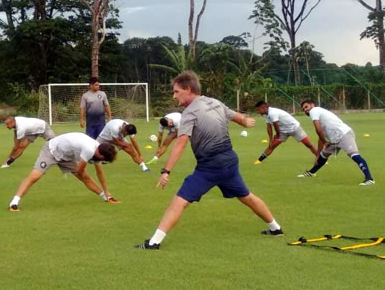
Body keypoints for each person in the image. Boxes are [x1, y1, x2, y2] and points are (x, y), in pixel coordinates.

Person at [135, 71, 283, 250]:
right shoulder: (215, 102)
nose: (174, 96)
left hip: (210, 167)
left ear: (188, 89)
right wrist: (245, 121)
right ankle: (275, 228)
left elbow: (181, 142)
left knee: (179, 201)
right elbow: (236, 117)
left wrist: (166, 171)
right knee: (247, 197)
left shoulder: (189, 112)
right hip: (229, 161)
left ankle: (153, 243)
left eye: (176, 92)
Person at [8, 132, 118, 211]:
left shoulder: (98, 148)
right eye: (103, 159)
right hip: (51, 150)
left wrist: (106, 191)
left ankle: (105, 197)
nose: (102, 161)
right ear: (100, 155)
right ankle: (14, 203)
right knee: (35, 177)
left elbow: (100, 172)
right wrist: (82, 171)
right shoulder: (90, 149)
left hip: (67, 155)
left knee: (86, 177)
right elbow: (80, 171)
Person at [297, 100, 374, 185]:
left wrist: (325, 142)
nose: (305, 110)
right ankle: (311, 173)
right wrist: (318, 155)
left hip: (343, 134)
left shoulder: (314, 111)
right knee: (323, 155)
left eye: (306, 107)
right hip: (334, 139)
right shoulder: (319, 115)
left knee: (354, 155)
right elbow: (320, 137)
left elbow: (318, 130)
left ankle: (369, 179)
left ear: (312, 105)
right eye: (303, 109)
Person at [253, 100, 319, 164]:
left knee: (308, 144)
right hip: (283, 131)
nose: (258, 112)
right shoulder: (266, 115)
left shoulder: (272, 113)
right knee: (272, 145)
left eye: (258, 110)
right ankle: (259, 161)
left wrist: (277, 135)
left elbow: (276, 126)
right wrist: (271, 140)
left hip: (295, 128)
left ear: (263, 108)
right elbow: (269, 127)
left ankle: (320, 159)